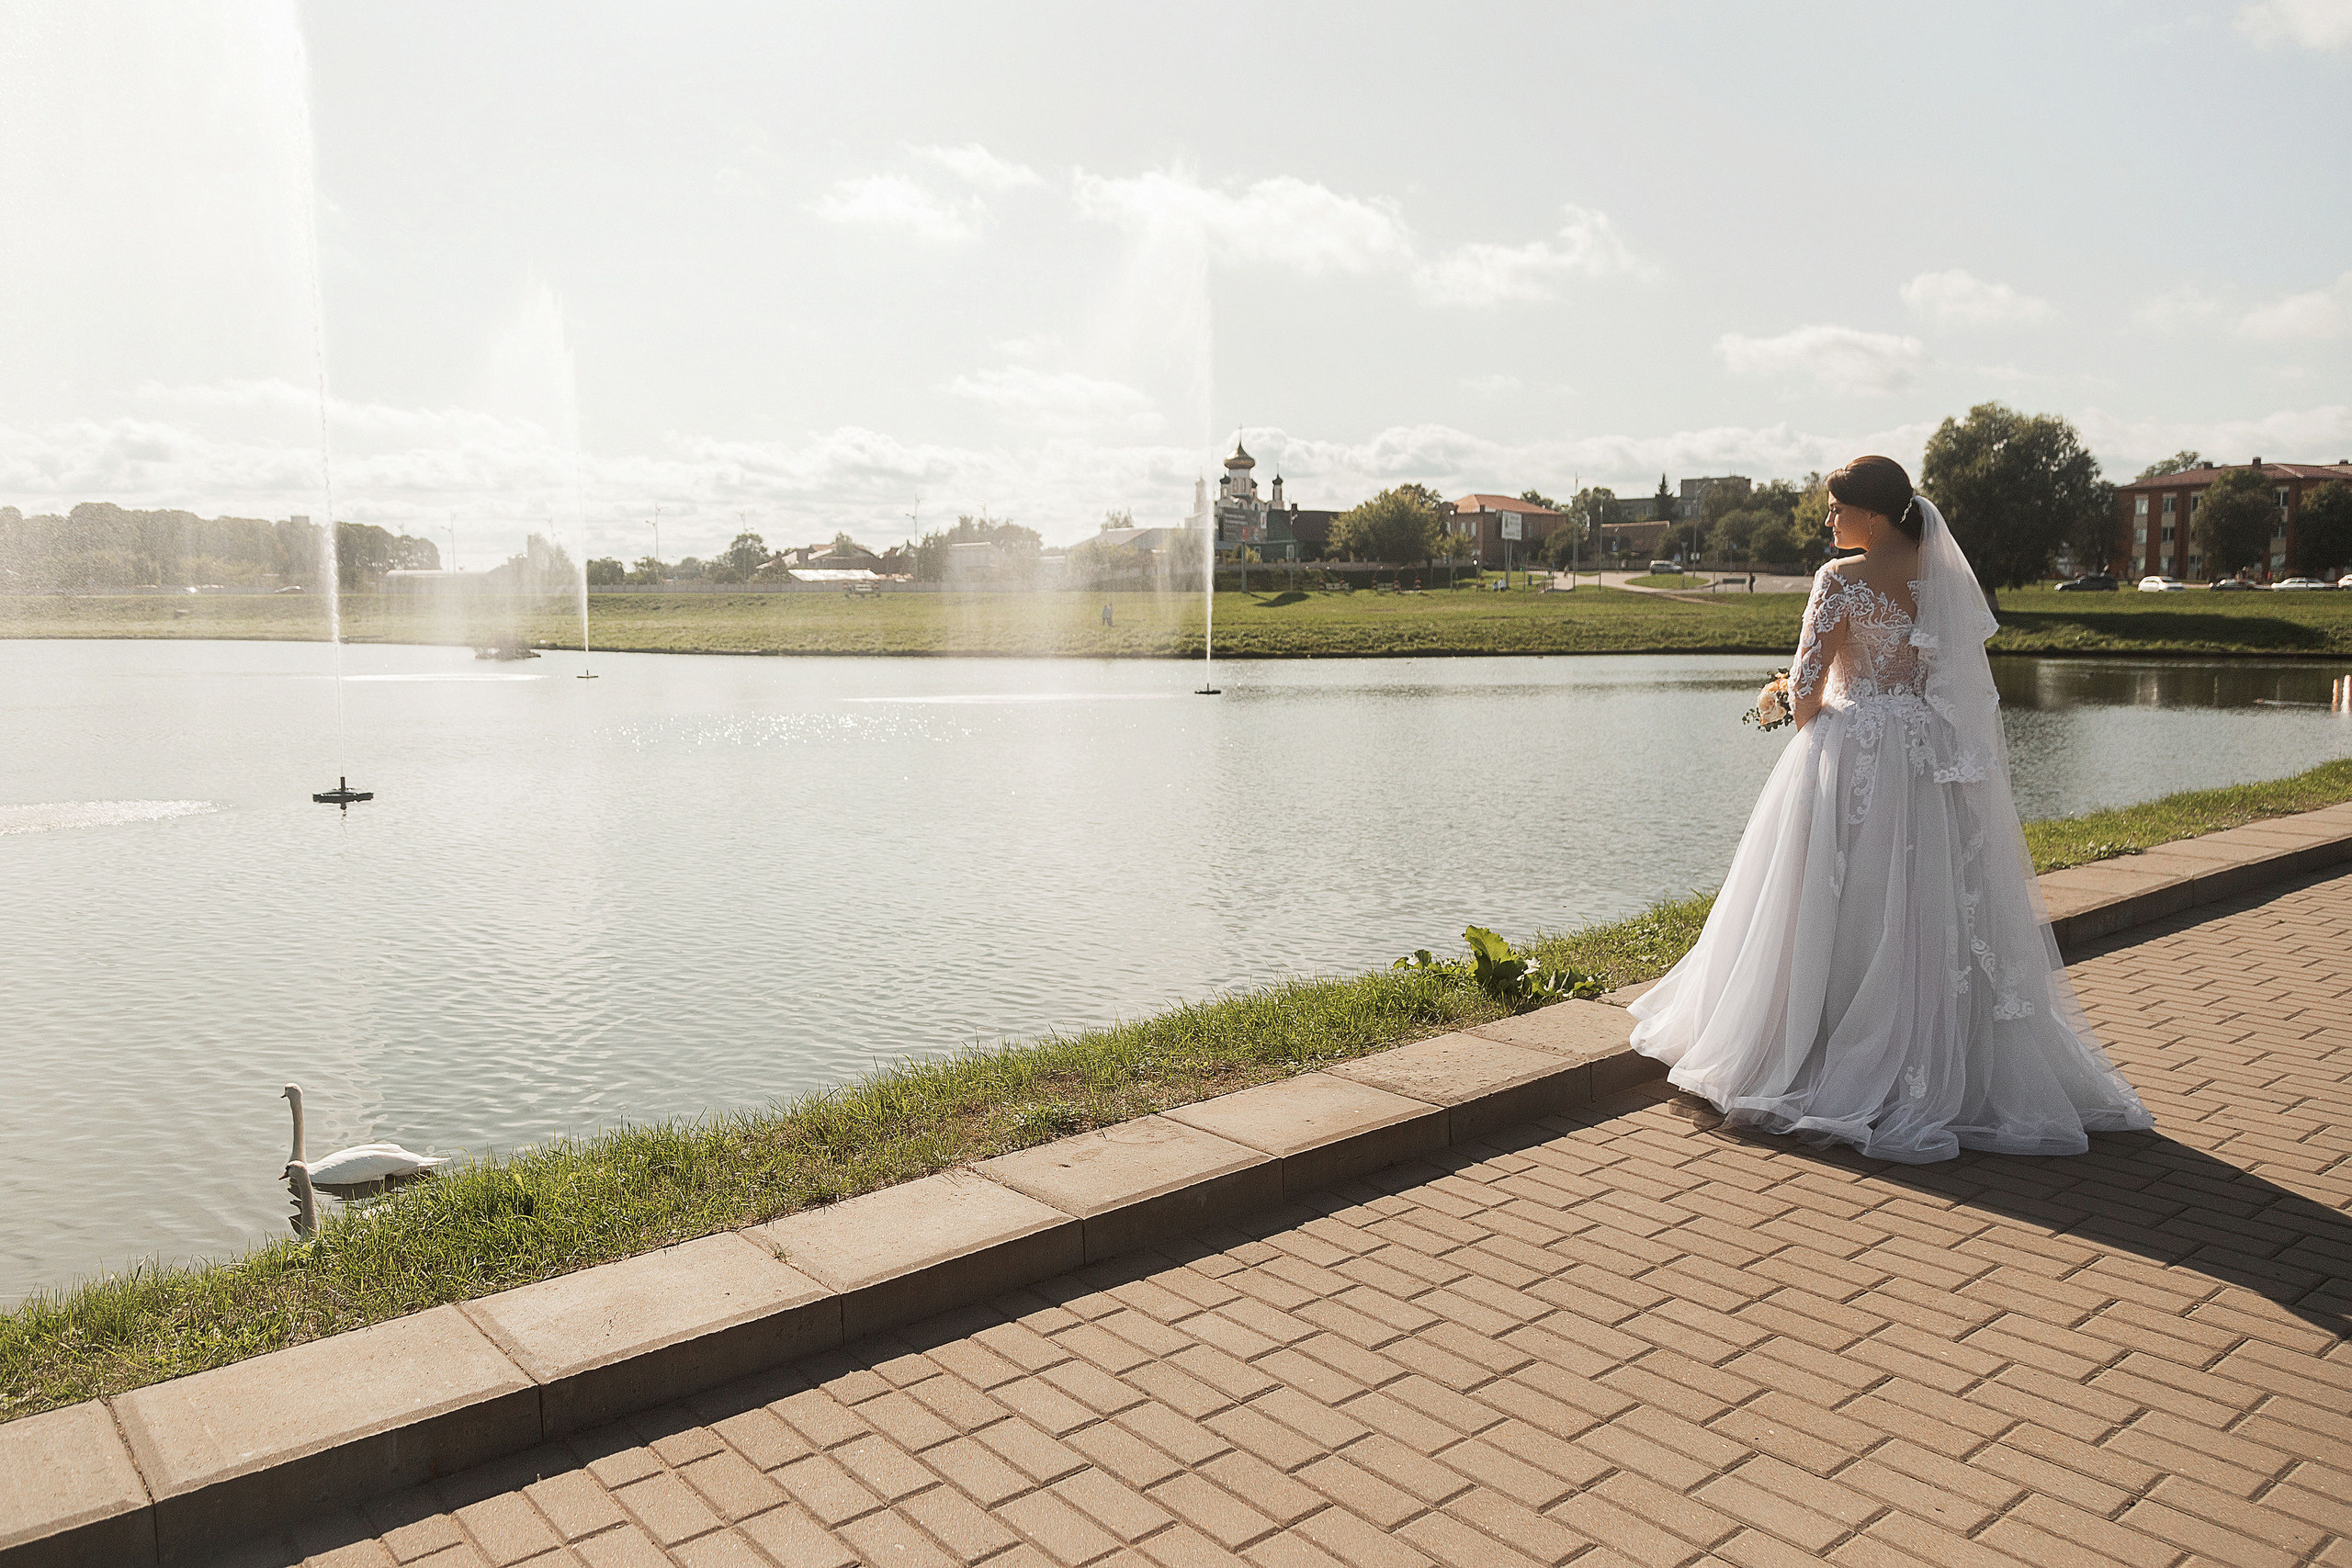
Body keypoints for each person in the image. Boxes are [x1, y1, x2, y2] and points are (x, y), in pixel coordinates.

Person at [1628, 457, 2152, 1162]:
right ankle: (1946, 1061)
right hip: (1927, 758)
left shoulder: (1838, 580)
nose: (1827, 521)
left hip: (1853, 756)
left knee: (1833, 902)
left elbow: (1809, 696)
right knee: (1928, 906)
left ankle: (1818, 1045)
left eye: (1835, 507)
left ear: (1869, 517)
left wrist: (1780, 694)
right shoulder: (1940, 578)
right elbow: (1954, 684)